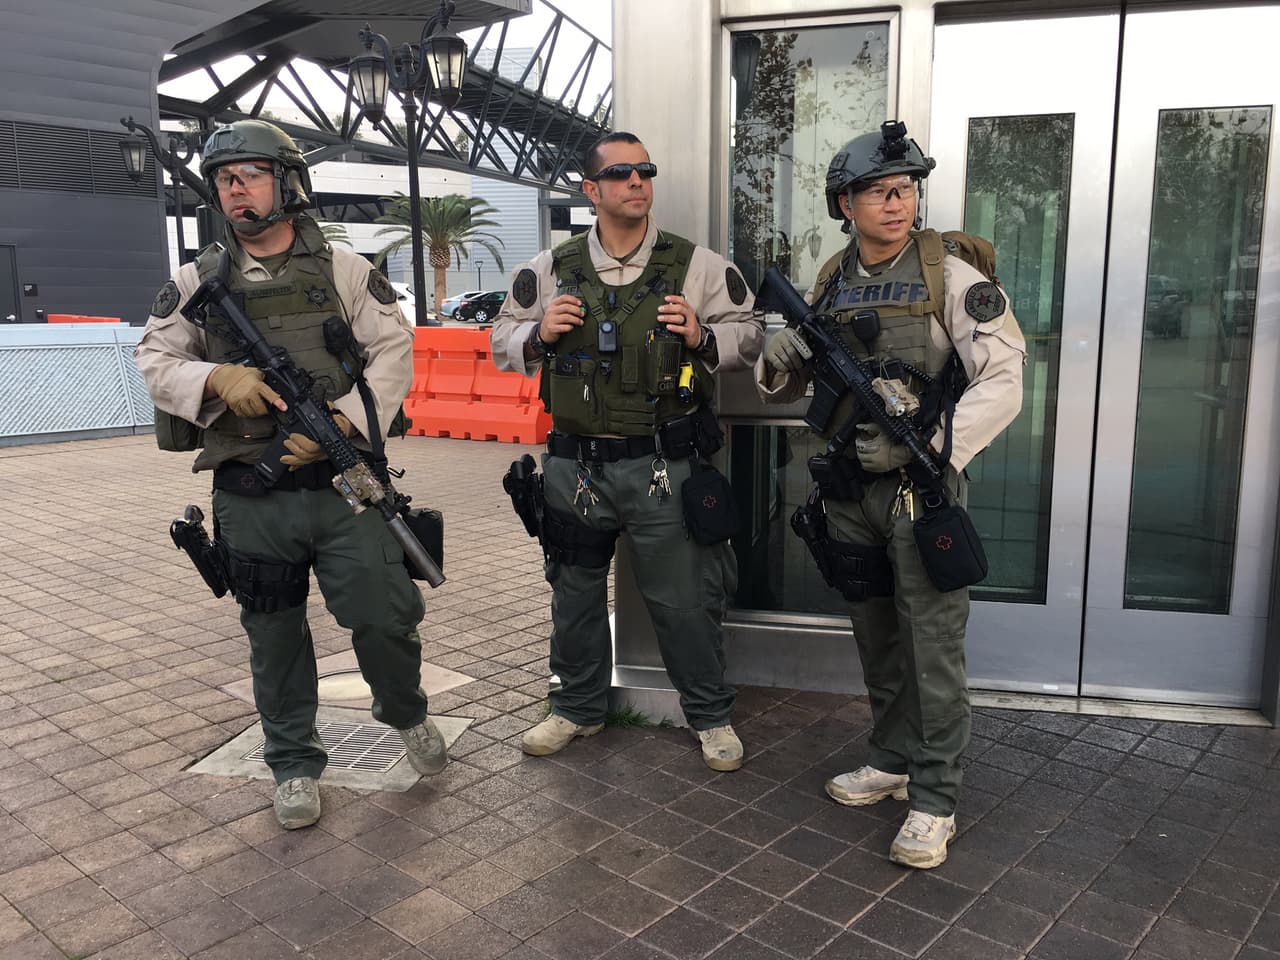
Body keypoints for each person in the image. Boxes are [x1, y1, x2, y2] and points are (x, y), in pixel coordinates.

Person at [134, 119, 448, 830]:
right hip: (253, 493)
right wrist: (218, 376)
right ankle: (295, 764)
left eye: (249, 173)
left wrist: (339, 425)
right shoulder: (195, 281)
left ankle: (405, 712)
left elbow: (393, 352)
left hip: (344, 489)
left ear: (288, 181)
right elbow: (154, 360)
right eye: (224, 178)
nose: (235, 188)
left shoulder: (342, 271)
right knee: (272, 635)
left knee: (385, 615)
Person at [755, 121, 1026, 868]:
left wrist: (933, 447)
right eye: (878, 192)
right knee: (876, 637)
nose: (896, 203)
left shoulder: (952, 276)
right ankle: (894, 755)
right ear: (846, 202)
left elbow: (1004, 382)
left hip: (919, 493)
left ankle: (935, 796)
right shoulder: (832, 278)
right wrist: (778, 360)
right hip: (848, 493)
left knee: (932, 647)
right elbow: (798, 381)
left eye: (904, 189)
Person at [491, 131, 764, 771]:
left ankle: (710, 715)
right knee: (574, 593)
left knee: (684, 597)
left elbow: (748, 335)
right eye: (620, 174)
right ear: (591, 190)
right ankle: (577, 708)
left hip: (662, 465)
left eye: (645, 170)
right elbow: (500, 339)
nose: (636, 182)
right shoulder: (549, 268)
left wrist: (702, 335)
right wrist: (536, 335)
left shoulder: (697, 265)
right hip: (574, 468)